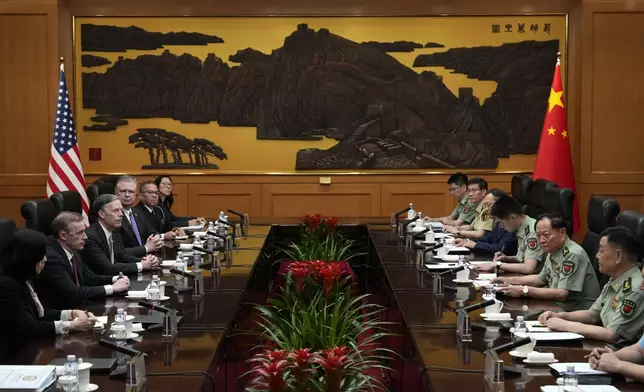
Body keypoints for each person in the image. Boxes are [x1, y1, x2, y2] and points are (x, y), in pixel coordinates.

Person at [0, 229, 95, 362]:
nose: (45, 259)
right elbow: (30, 328)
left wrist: (72, 314)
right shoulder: (6, 285)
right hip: (14, 359)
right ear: (27, 258)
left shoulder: (25, 278)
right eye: (40, 255)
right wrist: (71, 325)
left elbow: (41, 314)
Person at [538, 227, 644, 344]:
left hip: (618, 353)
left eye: (602, 251)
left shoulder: (634, 289)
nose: (597, 256)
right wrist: (560, 316)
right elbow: (591, 315)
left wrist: (566, 325)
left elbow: (612, 335)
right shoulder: (616, 280)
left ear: (618, 256)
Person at [493, 213, 601, 311]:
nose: (541, 240)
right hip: (559, 305)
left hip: (576, 309)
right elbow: (540, 279)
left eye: (546, 235)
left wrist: (523, 290)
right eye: (538, 235)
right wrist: (506, 280)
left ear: (562, 233)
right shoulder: (554, 249)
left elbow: (561, 294)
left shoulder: (572, 254)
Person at [38, 212, 131, 310]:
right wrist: (112, 288)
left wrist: (115, 279)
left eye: (84, 231)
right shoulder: (52, 258)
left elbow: (89, 277)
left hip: (80, 308)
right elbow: (74, 292)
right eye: (80, 233)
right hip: (62, 314)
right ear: (63, 236)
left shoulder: (72, 248)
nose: (85, 237)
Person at [81, 194, 159, 276]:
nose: (121, 214)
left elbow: (122, 256)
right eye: (116, 210)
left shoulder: (115, 232)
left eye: (121, 210)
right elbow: (106, 268)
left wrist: (145, 260)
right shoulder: (90, 237)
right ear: (102, 214)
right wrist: (141, 265)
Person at [473, 194, 544, 274]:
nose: (501, 227)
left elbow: (528, 268)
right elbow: (525, 257)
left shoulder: (532, 232)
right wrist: (507, 258)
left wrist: (497, 264)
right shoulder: (522, 228)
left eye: (501, 222)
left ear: (513, 217)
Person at [453, 189, 517, 256]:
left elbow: (501, 248)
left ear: (501, 203)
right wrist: (468, 241)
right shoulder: (500, 219)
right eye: (485, 205)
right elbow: (489, 238)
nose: (487, 208)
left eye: (489, 204)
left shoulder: (511, 220)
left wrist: (476, 245)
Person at [114, 175, 163, 257]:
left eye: (131, 191)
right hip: (128, 264)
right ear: (115, 193)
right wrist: (146, 248)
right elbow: (118, 251)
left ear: (135, 194)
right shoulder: (113, 216)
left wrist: (156, 238)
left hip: (146, 259)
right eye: (123, 191)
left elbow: (153, 232)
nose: (127, 195)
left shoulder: (137, 212)